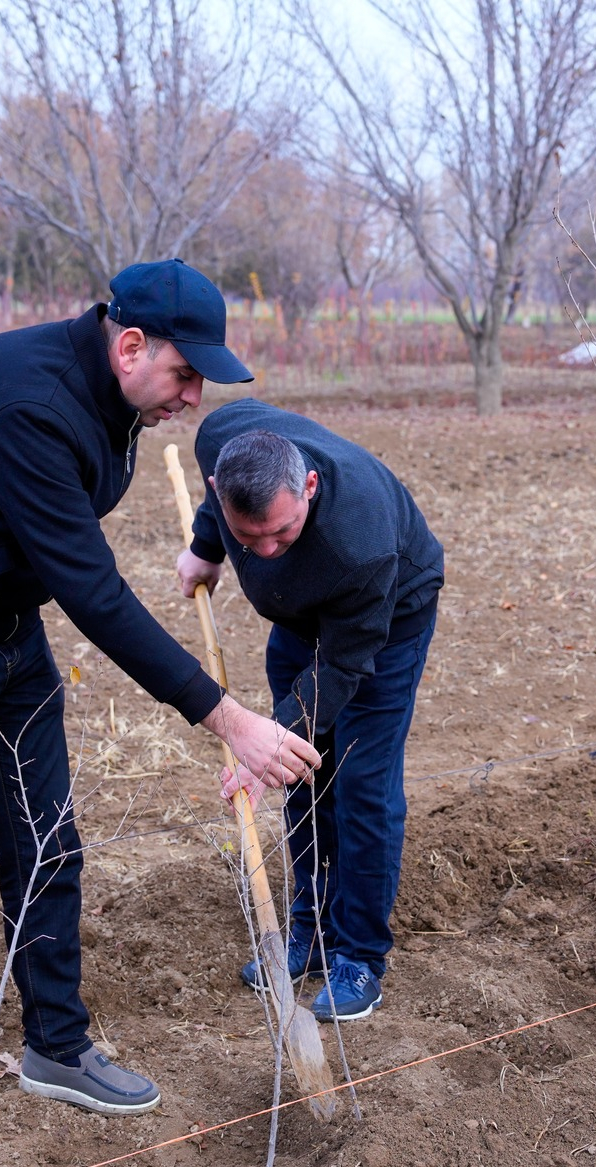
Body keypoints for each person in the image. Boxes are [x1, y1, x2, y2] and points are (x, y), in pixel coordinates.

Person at [0, 261, 321, 1157]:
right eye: (185, 374)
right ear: (130, 344)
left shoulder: (117, 398)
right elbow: (94, 594)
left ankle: (56, 1044)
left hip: (3, 619)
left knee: (47, 838)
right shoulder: (25, 402)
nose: (192, 396)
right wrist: (229, 717)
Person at [175, 401, 443, 1022]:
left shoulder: (362, 542)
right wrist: (208, 547)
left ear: (311, 488)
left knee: (360, 783)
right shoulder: (220, 437)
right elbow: (219, 509)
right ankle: (310, 930)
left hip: (384, 621)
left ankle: (358, 955)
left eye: (282, 533)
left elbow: (344, 667)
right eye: (251, 537)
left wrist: (264, 745)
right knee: (299, 774)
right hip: (299, 615)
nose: (266, 550)